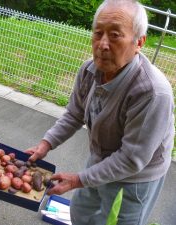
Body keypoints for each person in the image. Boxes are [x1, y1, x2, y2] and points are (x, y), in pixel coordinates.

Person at [25, 0, 175, 224]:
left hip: (134, 178)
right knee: (81, 212)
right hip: (101, 157)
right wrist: (46, 144)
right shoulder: (88, 71)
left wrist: (79, 179)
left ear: (139, 42)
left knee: (112, 221)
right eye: (98, 33)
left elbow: (132, 159)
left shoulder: (151, 93)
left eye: (115, 35)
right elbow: (74, 114)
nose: (103, 44)